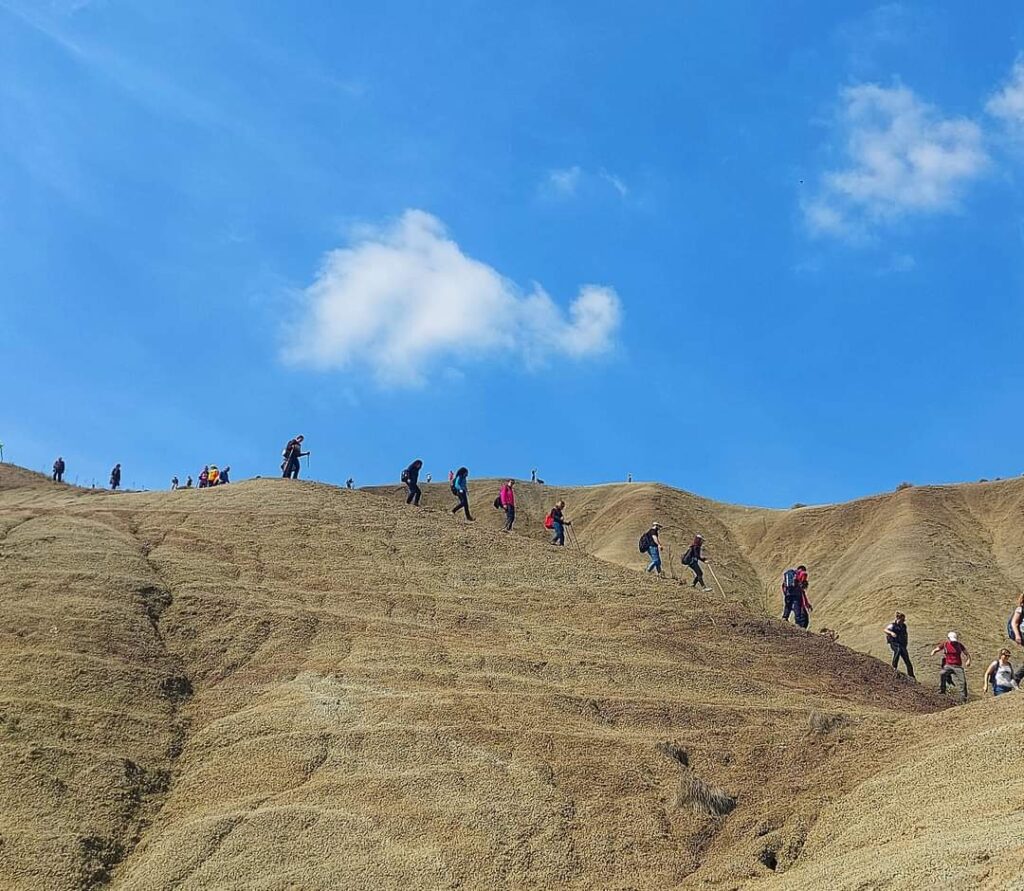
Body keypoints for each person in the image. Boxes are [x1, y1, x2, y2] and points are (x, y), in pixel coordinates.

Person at [931, 632, 972, 704]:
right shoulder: (945, 644)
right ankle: (942, 690)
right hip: (948, 665)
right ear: (948, 639)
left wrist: (968, 660)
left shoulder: (959, 645)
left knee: (963, 682)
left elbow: (966, 653)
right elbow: (938, 648)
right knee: (942, 673)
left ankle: (963, 698)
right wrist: (934, 651)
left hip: (957, 666)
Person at [884, 612, 915, 678]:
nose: (903, 621)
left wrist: (906, 643)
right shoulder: (892, 625)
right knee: (897, 650)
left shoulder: (904, 626)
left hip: (902, 644)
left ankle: (911, 675)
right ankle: (894, 668)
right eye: (902, 620)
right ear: (898, 618)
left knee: (907, 660)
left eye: (904, 620)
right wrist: (891, 632)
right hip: (894, 643)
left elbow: (905, 634)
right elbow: (885, 630)